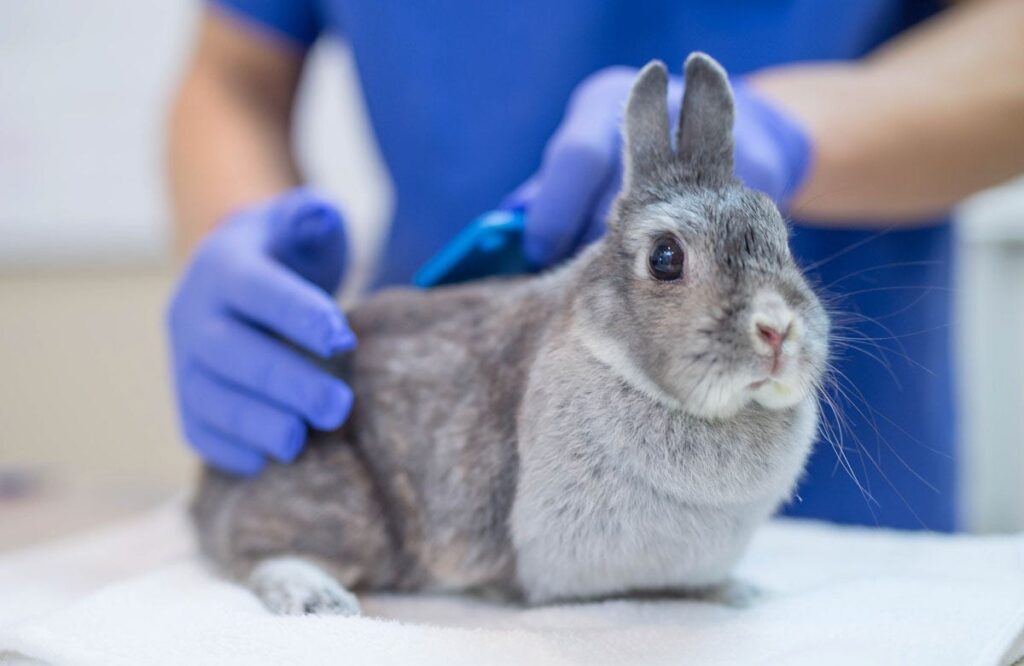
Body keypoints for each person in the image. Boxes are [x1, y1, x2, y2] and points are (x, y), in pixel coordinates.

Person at [167, 0, 1024, 531]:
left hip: (846, 496)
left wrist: (794, 134)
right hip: (454, 448)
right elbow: (235, 73)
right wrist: (247, 245)